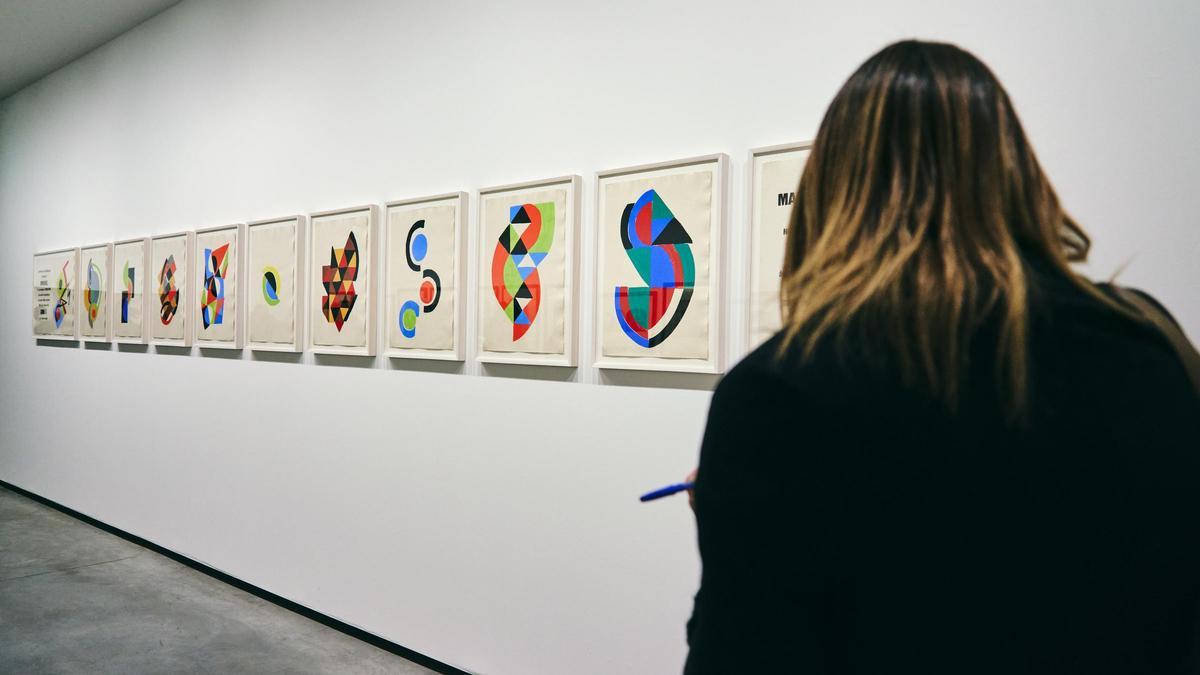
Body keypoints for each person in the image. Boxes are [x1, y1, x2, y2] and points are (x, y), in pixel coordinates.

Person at [684, 40, 1200, 674]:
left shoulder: (779, 395)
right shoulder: (1148, 344)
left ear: (836, 191)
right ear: (1016, 174)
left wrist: (729, 510)